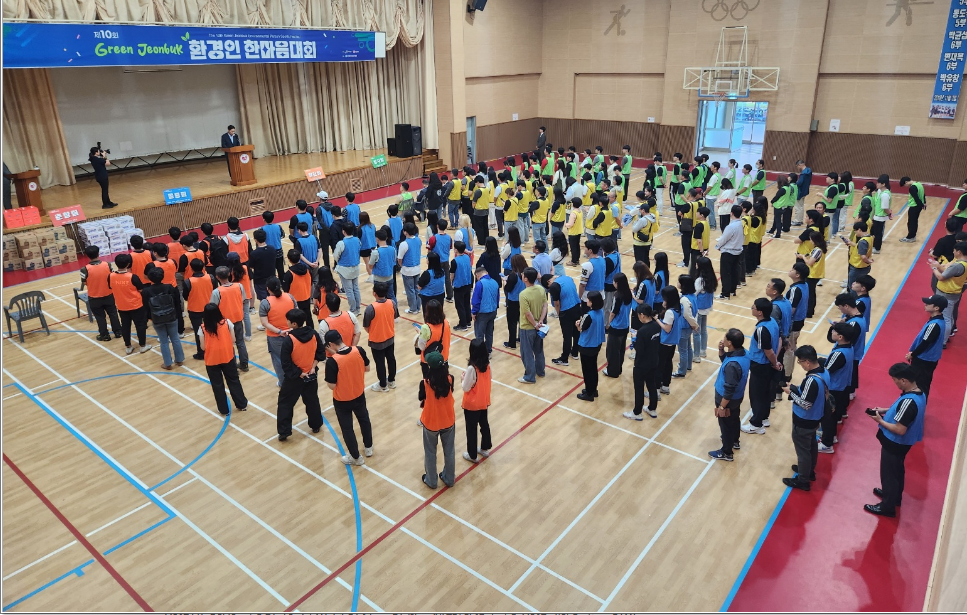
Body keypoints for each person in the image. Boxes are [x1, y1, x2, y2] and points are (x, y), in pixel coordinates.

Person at [864, 363, 927, 517]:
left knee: (889, 474)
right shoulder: (918, 393)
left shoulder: (909, 402)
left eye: (895, 380)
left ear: (904, 380)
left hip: (895, 443)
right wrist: (885, 410)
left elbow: (900, 429)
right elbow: (901, 411)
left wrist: (880, 420)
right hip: (903, 444)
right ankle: (894, 496)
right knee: (897, 470)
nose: (894, 383)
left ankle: (887, 507)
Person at [780, 345, 829, 491]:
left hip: (804, 420)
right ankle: (809, 471)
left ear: (807, 362)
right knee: (811, 445)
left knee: (803, 451)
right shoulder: (824, 372)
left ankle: (803, 480)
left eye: (800, 361)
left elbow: (805, 404)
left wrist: (790, 392)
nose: (800, 365)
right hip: (816, 417)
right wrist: (796, 388)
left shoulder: (811, 380)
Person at [324, 329, 373, 465]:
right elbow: (367, 368)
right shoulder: (359, 350)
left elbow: (332, 386)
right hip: (359, 394)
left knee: (347, 428)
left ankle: (356, 457)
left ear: (330, 344)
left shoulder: (332, 362)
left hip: (342, 400)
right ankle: (368, 448)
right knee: (364, 420)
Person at [276, 309, 325, 441]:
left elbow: (285, 362)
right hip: (311, 374)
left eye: (288, 320)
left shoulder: (289, 340)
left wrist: (299, 373)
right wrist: (313, 367)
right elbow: (321, 352)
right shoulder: (313, 333)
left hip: (295, 378)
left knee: (285, 403)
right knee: (312, 400)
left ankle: (284, 431)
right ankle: (316, 425)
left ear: (294, 324)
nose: (286, 322)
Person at [742, 298, 783, 435]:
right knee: (765, 393)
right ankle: (764, 418)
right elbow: (779, 340)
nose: (751, 308)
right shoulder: (773, 322)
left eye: (753, 307)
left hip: (760, 365)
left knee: (757, 395)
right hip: (768, 365)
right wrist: (775, 361)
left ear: (760, 312)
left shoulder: (761, 329)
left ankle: (756, 424)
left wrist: (774, 362)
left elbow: (768, 351)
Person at [197, 303, 248, 415]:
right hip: (227, 357)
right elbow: (233, 340)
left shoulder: (202, 328)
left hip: (212, 360)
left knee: (217, 385)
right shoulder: (227, 323)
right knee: (233, 380)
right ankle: (242, 405)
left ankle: (224, 410)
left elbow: (203, 347)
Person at [708, 328, 750, 461]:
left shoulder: (733, 365)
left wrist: (722, 407)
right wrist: (721, 351)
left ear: (730, 342)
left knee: (725, 424)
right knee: (735, 418)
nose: (723, 339)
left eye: (725, 338)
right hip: (738, 396)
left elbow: (729, 389)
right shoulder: (744, 353)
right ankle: (735, 441)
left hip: (726, 399)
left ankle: (727, 452)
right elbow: (726, 361)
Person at [419, 351, 456, 488]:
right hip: (448, 420)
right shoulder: (450, 379)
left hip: (431, 422)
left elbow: (421, 397)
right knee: (449, 451)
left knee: (430, 452)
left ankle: (431, 480)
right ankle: (449, 478)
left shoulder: (425, 383)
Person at [819, 322, 855, 454]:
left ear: (840, 337)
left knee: (828, 417)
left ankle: (827, 444)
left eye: (834, 331)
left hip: (834, 388)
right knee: (833, 415)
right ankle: (832, 436)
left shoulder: (839, 353)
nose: (832, 332)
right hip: (842, 385)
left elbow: (826, 371)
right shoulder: (849, 347)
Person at [622, 304, 662, 420]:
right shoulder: (656, 326)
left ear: (642, 315)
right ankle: (652, 408)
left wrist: (635, 338)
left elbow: (639, 349)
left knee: (639, 388)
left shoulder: (642, 331)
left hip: (642, 364)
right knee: (651, 385)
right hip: (654, 360)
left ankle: (637, 412)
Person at [109, 253, 151, 355]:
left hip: (121, 306)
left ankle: (128, 346)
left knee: (125, 326)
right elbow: (141, 290)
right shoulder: (133, 277)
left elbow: (110, 287)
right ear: (128, 264)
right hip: (136, 305)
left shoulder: (110, 276)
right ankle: (142, 346)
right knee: (140, 325)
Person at [209, 265, 249, 372]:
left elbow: (212, 308)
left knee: (229, 344)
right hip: (238, 318)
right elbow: (244, 300)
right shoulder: (239, 286)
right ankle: (244, 364)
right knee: (240, 342)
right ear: (229, 274)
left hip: (225, 323)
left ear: (217, 277)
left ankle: (233, 367)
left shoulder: (216, 292)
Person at [906, 295, 947, 397]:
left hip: (924, 360)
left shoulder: (934, 325)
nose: (925, 304)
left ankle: (917, 403)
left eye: (928, 303)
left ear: (936, 308)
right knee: (923, 383)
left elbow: (925, 343)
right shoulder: (938, 320)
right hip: (929, 359)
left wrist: (913, 354)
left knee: (919, 384)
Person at [259, 277, 297, 386]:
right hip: (293, 333)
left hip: (275, 337)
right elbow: (296, 313)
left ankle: (284, 383)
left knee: (279, 360)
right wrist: (291, 329)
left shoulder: (265, 303)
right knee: (294, 357)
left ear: (267, 289)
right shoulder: (290, 297)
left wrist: (280, 332)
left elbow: (264, 323)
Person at [79, 245, 122, 341]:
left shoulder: (84, 269)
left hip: (94, 297)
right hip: (108, 295)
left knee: (100, 317)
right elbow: (111, 276)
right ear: (98, 254)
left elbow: (84, 282)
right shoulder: (107, 264)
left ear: (87, 256)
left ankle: (105, 335)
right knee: (113, 314)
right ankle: (118, 332)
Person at [927, 241, 966, 346]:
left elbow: (941, 277)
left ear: (959, 252)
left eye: (954, 250)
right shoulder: (963, 264)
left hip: (947, 293)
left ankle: (943, 341)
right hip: (953, 293)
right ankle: (945, 336)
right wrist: (939, 266)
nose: (953, 252)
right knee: (949, 316)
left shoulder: (958, 265)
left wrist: (934, 268)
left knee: (947, 318)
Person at [364, 281, 399, 393]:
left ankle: (383, 385)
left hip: (377, 341)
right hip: (390, 337)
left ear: (374, 293)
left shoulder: (370, 308)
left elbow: (366, 326)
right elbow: (395, 316)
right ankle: (391, 381)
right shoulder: (392, 303)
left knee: (380, 363)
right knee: (391, 359)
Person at [462, 338, 493, 462]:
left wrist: (462, 378)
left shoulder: (472, 368)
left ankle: (472, 455)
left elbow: (465, 387)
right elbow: (489, 378)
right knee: (484, 424)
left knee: (471, 429)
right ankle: (485, 448)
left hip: (472, 404)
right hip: (483, 400)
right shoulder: (488, 365)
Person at [517, 267, 548, 384]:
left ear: (525, 279)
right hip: (539, 326)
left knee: (527, 353)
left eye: (523, 274)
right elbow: (545, 305)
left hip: (527, 327)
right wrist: (540, 321)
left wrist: (535, 324)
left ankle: (529, 376)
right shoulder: (541, 289)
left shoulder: (523, 294)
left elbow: (527, 313)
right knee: (539, 350)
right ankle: (540, 371)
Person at [576, 291, 606, 402]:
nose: (586, 301)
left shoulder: (588, 315)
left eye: (588, 299)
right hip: (596, 343)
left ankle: (589, 393)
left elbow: (581, 328)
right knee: (593, 367)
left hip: (587, 345)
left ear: (592, 302)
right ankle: (593, 389)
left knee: (587, 370)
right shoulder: (600, 312)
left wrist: (578, 324)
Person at [604, 272, 634, 378]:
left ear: (617, 283)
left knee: (612, 351)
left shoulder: (617, 296)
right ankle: (618, 369)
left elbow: (613, 312)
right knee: (621, 350)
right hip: (625, 325)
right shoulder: (629, 293)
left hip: (616, 326)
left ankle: (612, 371)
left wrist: (608, 323)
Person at [656, 286, 681, 396]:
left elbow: (667, 328)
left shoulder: (670, 312)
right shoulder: (678, 308)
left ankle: (656, 389)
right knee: (668, 362)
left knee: (659, 365)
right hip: (673, 340)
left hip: (665, 341)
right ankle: (665, 386)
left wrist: (657, 320)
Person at [672, 275, 699, 378]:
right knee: (688, 347)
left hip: (684, 327)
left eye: (679, 282)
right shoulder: (692, 296)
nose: (677, 283)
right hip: (688, 327)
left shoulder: (684, 299)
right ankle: (688, 366)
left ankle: (681, 371)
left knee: (682, 350)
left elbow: (687, 314)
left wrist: (694, 325)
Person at [332, 222, 362, 315]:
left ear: (343, 231)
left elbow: (336, 256)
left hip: (345, 269)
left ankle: (353, 310)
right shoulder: (357, 240)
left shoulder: (341, 243)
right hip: (355, 267)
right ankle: (358, 308)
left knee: (349, 290)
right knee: (356, 288)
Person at [716, 205, 744, 299]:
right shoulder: (741, 223)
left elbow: (724, 239)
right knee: (734, 271)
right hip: (738, 251)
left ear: (731, 213)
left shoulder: (731, 226)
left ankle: (725, 294)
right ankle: (732, 290)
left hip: (728, 252)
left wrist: (718, 246)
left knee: (726, 273)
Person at [471, 264, 500, 354]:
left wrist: (474, 312)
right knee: (489, 333)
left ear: (477, 275)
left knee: (479, 335)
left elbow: (476, 300)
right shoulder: (495, 282)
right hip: (493, 312)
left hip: (482, 313)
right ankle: (488, 351)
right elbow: (497, 298)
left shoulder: (480, 284)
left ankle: (480, 354)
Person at [693, 256, 717, 361]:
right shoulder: (712, 278)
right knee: (703, 330)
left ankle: (696, 355)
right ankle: (703, 350)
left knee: (696, 332)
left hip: (698, 309)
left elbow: (694, 294)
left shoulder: (699, 281)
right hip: (706, 308)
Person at [398, 222, 423, 315]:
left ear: (405, 232)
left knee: (410, 290)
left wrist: (402, 266)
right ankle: (418, 307)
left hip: (408, 270)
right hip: (417, 267)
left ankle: (413, 308)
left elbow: (399, 259)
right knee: (417, 289)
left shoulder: (404, 244)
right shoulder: (418, 240)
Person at [503, 254, 527, 350]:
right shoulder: (526, 273)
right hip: (524, 299)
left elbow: (508, 289)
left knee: (512, 323)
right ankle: (521, 338)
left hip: (513, 301)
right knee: (522, 320)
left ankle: (511, 343)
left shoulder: (513, 275)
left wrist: (505, 281)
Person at [843, 220, 874, 288]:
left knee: (854, 287)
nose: (855, 232)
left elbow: (863, 257)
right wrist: (850, 243)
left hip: (857, 267)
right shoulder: (870, 237)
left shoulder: (862, 241)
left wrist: (868, 261)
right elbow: (859, 247)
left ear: (859, 230)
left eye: (855, 230)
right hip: (863, 267)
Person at [248, 229, 277, 302]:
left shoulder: (254, 254)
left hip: (260, 281)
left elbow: (251, 266)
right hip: (272, 278)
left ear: (255, 240)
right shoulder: (272, 249)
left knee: (264, 302)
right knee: (274, 299)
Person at [418, 252, 447, 321]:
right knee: (439, 315)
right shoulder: (442, 271)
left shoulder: (427, 273)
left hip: (428, 298)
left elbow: (419, 286)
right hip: (440, 296)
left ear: (430, 261)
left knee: (428, 317)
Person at [632, 198, 658, 269]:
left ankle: (641, 274)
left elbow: (634, 229)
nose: (639, 212)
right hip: (648, 242)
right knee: (646, 260)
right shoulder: (653, 216)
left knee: (639, 262)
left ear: (643, 211)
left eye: (640, 210)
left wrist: (636, 221)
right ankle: (647, 273)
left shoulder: (643, 220)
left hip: (640, 243)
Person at [899, 176, 925, 242]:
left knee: (911, 223)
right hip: (918, 206)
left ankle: (910, 237)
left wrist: (922, 205)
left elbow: (916, 198)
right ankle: (913, 236)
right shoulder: (919, 184)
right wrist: (924, 203)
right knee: (914, 221)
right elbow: (923, 194)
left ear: (906, 182)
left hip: (914, 206)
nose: (906, 186)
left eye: (905, 185)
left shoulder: (912, 188)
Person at [872, 174, 893, 254]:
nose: (877, 184)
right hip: (878, 216)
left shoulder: (885, 195)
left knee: (878, 234)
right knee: (876, 232)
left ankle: (877, 248)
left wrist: (889, 214)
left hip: (880, 217)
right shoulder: (882, 192)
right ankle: (874, 246)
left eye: (878, 183)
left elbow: (885, 207)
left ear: (883, 184)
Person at [566, 197, 585, 266]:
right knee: (577, 246)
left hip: (573, 232)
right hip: (579, 231)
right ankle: (577, 260)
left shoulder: (573, 213)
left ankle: (573, 261)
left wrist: (566, 224)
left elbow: (570, 224)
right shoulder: (580, 211)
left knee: (573, 247)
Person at [794, 160, 812, 226]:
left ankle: (797, 221)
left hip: (800, 191)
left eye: (797, 166)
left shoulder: (803, 174)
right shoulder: (809, 171)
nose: (798, 168)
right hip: (805, 190)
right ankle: (800, 220)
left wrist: (795, 183)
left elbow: (799, 183)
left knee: (798, 207)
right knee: (801, 206)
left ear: (800, 165)